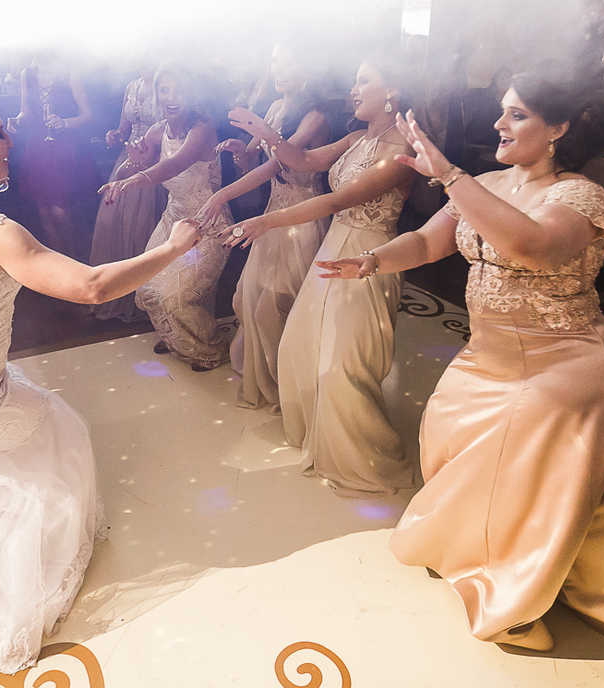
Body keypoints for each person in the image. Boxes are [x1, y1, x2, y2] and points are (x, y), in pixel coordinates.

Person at [320, 75, 604, 651]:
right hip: (489, 355)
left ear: (559, 129)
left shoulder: (581, 196)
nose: (499, 125)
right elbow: (426, 244)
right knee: (447, 431)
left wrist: (450, 176)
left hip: (565, 362)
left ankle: (516, 605)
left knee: (521, 463)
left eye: (517, 115)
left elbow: (534, 247)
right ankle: (471, 551)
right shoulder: (490, 182)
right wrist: (371, 260)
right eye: (502, 113)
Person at [0, 86, 200, 673]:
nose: (10, 140)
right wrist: (176, 247)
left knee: (8, 422)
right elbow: (92, 286)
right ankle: (12, 586)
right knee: (61, 429)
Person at [226, 54, 418, 494]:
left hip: (369, 256)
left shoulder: (400, 152)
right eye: (353, 80)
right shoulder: (354, 137)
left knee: (342, 364)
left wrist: (267, 221)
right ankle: (316, 436)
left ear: (392, 91)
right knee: (299, 346)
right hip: (333, 249)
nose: (353, 89)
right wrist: (266, 132)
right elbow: (304, 159)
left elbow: (337, 201)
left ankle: (362, 458)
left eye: (363, 80)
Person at [199, 42, 330, 412]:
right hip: (272, 212)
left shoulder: (316, 116)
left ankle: (291, 387)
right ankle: (264, 376)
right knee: (246, 297)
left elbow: (276, 164)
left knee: (275, 306)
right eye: (274, 61)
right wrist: (241, 149)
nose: (278, 69)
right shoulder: (275, 107)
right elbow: (253, 161)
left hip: (301, 217)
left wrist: (223, 194)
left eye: (287, 61)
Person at [101, 63, 231, 371]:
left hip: (207, 224)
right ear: (156, 95)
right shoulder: (157, 130)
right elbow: (136, 165)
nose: (171, 97)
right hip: (173, 219)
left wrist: (133, 180)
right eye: (165, 90)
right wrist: (130, 166)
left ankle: (211, 348)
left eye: (179, 90)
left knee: (175, 296)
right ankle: (176, 336)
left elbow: (172, 167)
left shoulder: (201, 130)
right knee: (145, 286)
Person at [86, 65, 163, 321]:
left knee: (143, 228)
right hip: (128, 161)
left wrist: (149, 154)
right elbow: (125, 129)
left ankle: (143, 302)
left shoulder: (167, 86)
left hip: (158, 162)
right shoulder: (132, 86)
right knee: (112, 224)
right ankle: (115, 294)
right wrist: (116, 135)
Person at [7, 49, 97, 258]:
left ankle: (76, 260)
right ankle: (60, 262)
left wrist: (64, 122)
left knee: (61, 209)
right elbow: (25, 111)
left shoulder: (70, 74)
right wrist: (18, 119)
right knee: (43, 209)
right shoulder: (26, 74)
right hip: (38, 146)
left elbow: (88, 116)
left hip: (65, 148)